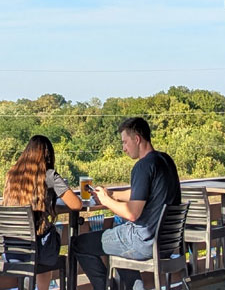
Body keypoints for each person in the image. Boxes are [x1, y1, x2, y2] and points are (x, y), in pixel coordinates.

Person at [72, 117, 180, 290]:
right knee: (119, 249)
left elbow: (132, 213)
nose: (123, 148)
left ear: (137, 139)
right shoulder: (164, 161)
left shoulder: (142, 166)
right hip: (166, 243)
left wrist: (106, 201)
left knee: (79, 244)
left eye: (125, 142)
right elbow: (140, 194)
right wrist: (113, 194)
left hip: (143, 241)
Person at [1, 135, 85, 272]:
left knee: (44, 238)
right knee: (50, 235)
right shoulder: (49, 175)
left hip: (11, 249)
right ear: (49, 155)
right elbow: (76, 204)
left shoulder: (12, 174)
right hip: (37, 250)